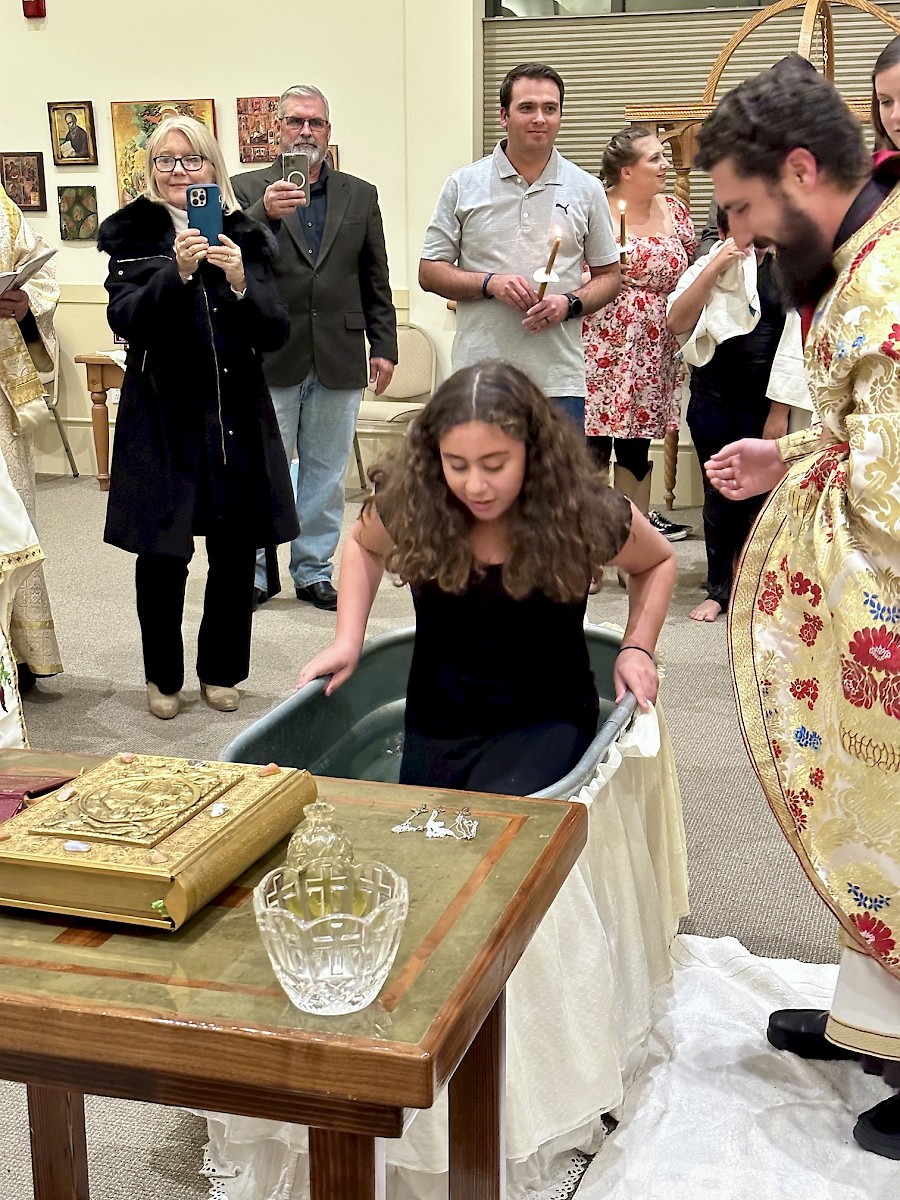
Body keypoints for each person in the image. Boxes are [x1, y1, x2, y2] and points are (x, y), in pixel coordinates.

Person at [695, 54, 900, 1157]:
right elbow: (865, 428)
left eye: (743, 209)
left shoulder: (890, 274)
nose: (741, 236)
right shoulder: (859, 254)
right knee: (874, 820)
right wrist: (790, 456)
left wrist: (812, 480)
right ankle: (876, 1019)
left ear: (803, 170)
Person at [297, 362, 675, 796]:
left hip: (546, 715)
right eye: (456, 465)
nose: (475, 486)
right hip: (439, 712)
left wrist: (637, 647)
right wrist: (347, 639)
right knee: (424, 824)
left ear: (534, 453)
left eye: (494, 465)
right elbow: (363, 546)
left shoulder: (582, 509)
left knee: (506, 821)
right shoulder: (415, 501)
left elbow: (657, 562)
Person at [97, 116, 297, 719]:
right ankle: (163, 676)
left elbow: (275, 331)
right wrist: (177, 273)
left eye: (192, 160)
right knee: (163, 555)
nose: (179, 172)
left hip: (234, 417)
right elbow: (126, 319)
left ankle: (222, 671)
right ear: (151, 170)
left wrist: (238, 281)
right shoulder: (132, 233)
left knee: (234, 554)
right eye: (166, 160)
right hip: (163, 419)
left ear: (213, 167)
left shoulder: (245, 235)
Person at [232, 84, 398, 613]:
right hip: (269, 353)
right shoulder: (244, 189)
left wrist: (384, 344)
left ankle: (312, 570)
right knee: (263, 470)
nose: (306, 131)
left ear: (329, 131)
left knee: (326, 473)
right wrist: (263, 212)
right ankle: (257, 570)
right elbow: (226, 253)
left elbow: (375, 276)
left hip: (339, 351)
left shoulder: (360, 194)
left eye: (316, 123)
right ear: (276, 129)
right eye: (295, 121)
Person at [418, 63, 620, 429]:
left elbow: (609, 277)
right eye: (527, 107)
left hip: (558, 382)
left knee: (559, 472)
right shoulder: (463, 185)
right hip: (479, 380)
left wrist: (569, 303)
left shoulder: (587, 188)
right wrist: (490, 284)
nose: (540, 118)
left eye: (550, 108)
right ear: (503, 116)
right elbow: (430, 272)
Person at [666, 208, 810, 622]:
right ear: (724, 230)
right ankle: (719, 590)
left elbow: (793, 346)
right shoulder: (706, 267)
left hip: (764, 400)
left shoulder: (787, 271)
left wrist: (779, 412)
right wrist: (715, 265)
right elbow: (676, 320)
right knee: (717, 492)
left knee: (762, 499)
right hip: (712, 396)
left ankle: (758, 587)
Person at [583, 127, 696, 542]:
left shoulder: (675, 211)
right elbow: (560, 270)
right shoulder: (594, 210)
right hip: (600, 345)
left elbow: (691, 269)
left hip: (653, 348)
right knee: (591, 445)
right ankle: (587, 546)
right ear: (627, 171)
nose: (666, 165)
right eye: (655, 159)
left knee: (636, 448)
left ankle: (631, 541)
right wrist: (601, 277)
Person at [0, 183, 63, 691]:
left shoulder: (4, 209)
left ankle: (21, 657)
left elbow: (41, 277)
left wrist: (24, 306)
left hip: (2, 401)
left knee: (13, 520)